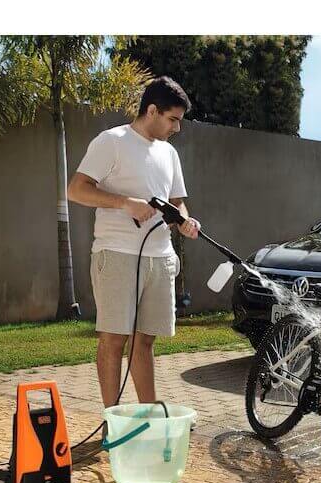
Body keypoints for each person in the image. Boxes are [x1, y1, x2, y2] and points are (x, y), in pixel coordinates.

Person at [68, 76, 199, 414]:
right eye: (172, 119)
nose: (176, 128)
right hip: (117, 254)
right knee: (114, 339)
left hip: (160, 256)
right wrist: (125, 203)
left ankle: (149, 416)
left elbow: (177, 202)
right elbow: (76, 189)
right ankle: (112, 421)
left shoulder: (169, 153)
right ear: (152, 110)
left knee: (146, 339)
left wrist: (185, 220)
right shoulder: (112, 141)